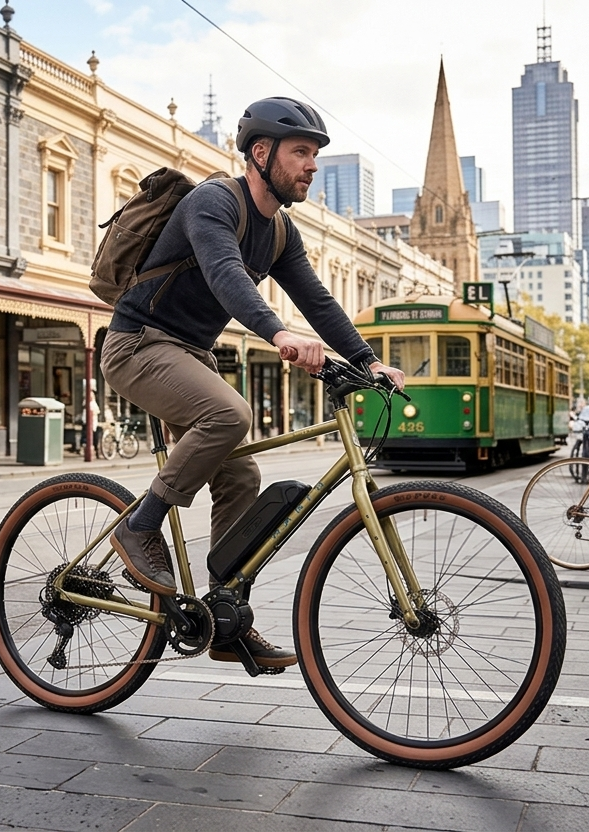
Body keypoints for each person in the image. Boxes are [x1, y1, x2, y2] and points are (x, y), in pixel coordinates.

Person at [100, 96, 406, 669]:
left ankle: (223, 618)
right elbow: (224, 274)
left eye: (315, 154)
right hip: (137, 343)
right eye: (301, 152)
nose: (311, 165)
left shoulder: (280, 232)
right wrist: (276, 332)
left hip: (189, 353)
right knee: (231, 414)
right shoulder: (212, 201)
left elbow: (316, 298)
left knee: (242, 474)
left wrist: (366, 361)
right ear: (260, 153)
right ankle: (139, 529)